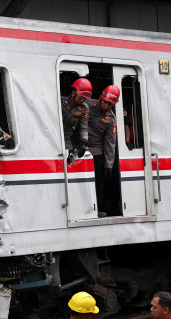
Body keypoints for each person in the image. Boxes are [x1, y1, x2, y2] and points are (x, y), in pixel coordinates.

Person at [87, 85, 119, 216]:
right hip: (79, 147)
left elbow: (110, 143)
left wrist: (109, 165)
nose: (106, 106)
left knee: (99, 183)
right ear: (100, 98)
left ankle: (98, 209)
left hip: (96, 151)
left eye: (110, 105)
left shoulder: (111, 120)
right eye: (105, 102)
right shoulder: (86, 103)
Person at [61, 78, 92, 155]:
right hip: (53, 135)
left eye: (85, 98)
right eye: (81, 97)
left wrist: (84, 141)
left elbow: (84, 127)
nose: (82, 100)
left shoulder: (85, 108)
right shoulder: (59, 102)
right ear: (73, 93)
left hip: (67, 138)